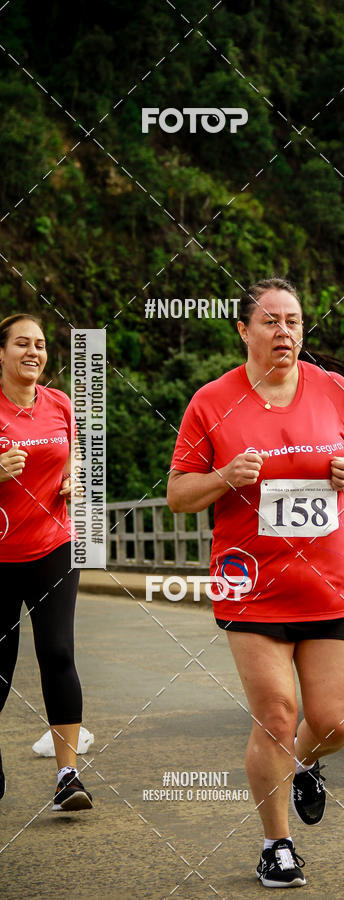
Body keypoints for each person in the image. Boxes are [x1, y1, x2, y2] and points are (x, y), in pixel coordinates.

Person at [168, 278, 344, 888]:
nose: (285, 333)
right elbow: (178, 495)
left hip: (328, 581)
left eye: (294, 322)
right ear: (243, 330)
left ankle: (303, 766)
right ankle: (275, 845)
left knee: (335, 723)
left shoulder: (333, 390)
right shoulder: (211, 401)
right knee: (277, 717)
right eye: (271, 322)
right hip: (250, 582)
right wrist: (226, 476)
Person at [0, 313, 92, 811]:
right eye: (21, 343)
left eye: (39, 344)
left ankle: (67, 775)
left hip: (53, 547)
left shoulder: (60, 404)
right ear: (1, 353)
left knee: (58, 654)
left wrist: (72, 479)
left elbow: (73, 458)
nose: (33, 352)